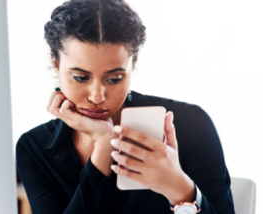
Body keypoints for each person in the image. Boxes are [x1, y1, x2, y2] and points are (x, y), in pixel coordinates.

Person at [16, 0, 235, 213]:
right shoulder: (35, 147)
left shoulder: (191, 125)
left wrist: (179, 188)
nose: (97, 96)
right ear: (56, 62)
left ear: (133, 64)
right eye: (81, 77)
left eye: (113, 79)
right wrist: (103, 144)